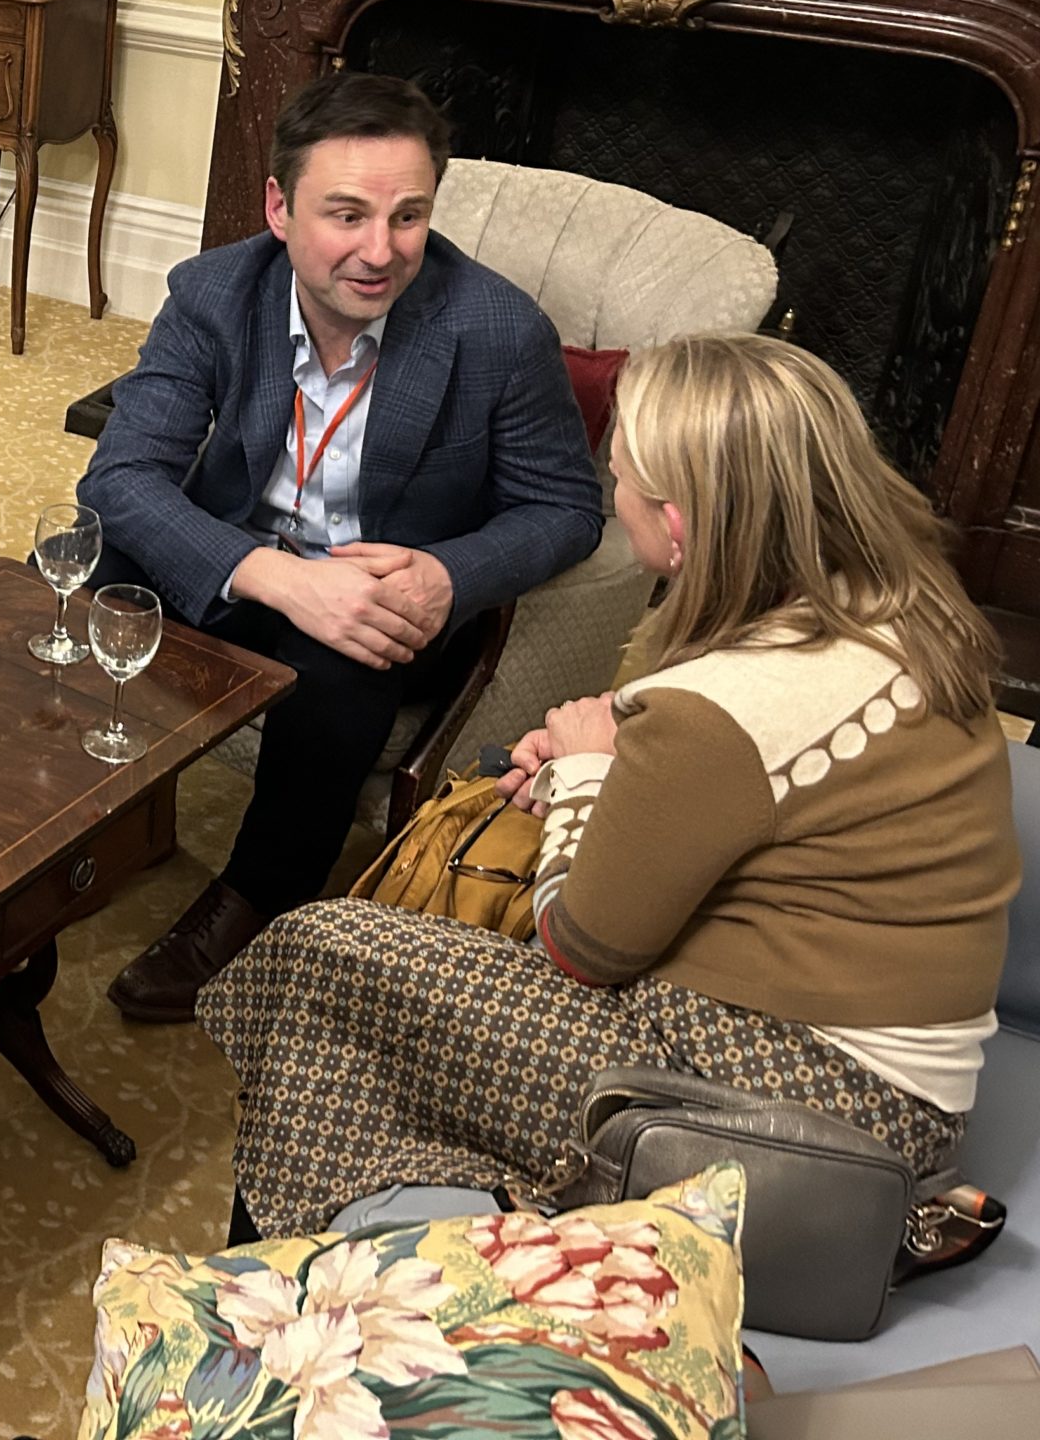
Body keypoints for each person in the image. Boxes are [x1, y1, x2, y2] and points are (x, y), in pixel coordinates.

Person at [200, 332, 1022, 1236]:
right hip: (887, 1084)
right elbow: (765, 792)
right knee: (377, 1011)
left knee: (321, 956)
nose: (613, 494)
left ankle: (276, 1274)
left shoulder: (720, 708)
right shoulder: (898, 609)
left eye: (620, 476)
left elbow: (580, 947)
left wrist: (589, 774)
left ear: (677, 525)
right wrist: (619, 769)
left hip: (807, 1113)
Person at [78, 71, 602, 1023]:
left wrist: (447, 574)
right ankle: (94, 820)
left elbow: (566, 507)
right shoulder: (213, 293)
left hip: (379, 589)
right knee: (88, 573)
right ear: (279, 208)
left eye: (408, 217)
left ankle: (257, 898)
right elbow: (120, 476)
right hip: (247, 561)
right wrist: (275, 577)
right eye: (347, 215)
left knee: (350, 652)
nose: (380, 251)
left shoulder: (498, 330)